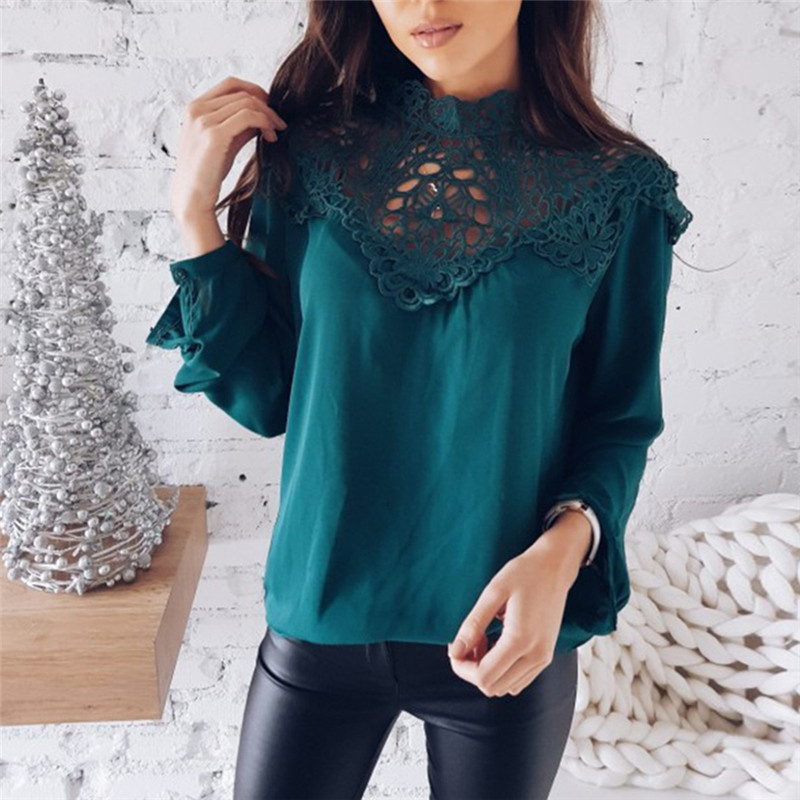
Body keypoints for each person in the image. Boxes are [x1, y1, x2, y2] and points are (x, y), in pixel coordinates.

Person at [145, 1, 693, 798]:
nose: (424, 6)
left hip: (501, 638)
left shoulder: (617, 190)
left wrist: (562, 551)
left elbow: (619, 419)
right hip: (319, 621)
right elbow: (268, 399)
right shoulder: (312, 159)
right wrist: (196, 218)